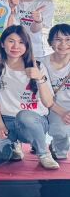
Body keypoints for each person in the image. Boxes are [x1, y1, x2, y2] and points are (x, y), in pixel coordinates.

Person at [0, 25, 58, 169]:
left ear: (27, 46)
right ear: (2, 44)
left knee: (24, 116)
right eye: (11, 41)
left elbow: (48, 103)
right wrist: (0, 126)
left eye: (21, 42)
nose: (16, 46)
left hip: (34, 120)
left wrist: (40, 78)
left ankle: (43, 153)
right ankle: (12, 146)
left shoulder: (38, 67)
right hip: (6, 119)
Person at [44, 24, 70, 161]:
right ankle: (57, 148)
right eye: (58, 39)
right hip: (51, 107)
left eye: (68, 39)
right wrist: (62, 112)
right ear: (50, 42)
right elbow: (39, 95)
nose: (63, 44)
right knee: (60, 130)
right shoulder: (42, 63)